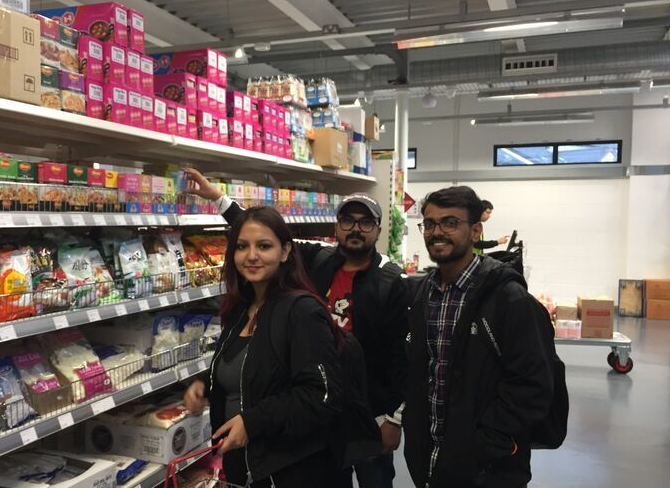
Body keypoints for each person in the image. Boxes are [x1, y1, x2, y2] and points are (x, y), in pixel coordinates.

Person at [184, 168, 408, 488]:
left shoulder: (388, 281)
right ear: (336, 226)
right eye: (347, 221)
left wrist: (394, 418)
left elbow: (402, 355)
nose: (356, 229)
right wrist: (218, 198)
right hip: (303, 423)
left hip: (366, 409)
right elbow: (260, 230)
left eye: (366, 222)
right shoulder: (318, 260)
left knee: (374, 479)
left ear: (378, 229)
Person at [404, 186, 554, 488]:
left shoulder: (509, 299)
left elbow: (534, 384)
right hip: (429, 458)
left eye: (449, 223)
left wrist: (487, 441)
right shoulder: (421, 294)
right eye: (429, 224)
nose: (437, 232)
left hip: (488, 467)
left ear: (475, 231)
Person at [182, 205, 342, 488]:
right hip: (246, 468)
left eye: (264, 246)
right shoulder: (240, 309)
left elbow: (321, 394)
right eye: (242, 246)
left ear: (285, 252)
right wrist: (206, 384)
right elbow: (251, 366)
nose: (251, 255)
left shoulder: (302, 312)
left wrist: (253, 422)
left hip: (292, 470)